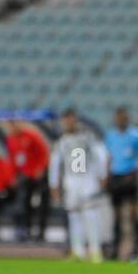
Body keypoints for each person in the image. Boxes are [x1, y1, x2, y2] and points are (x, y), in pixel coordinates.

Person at [50, 108, 109, 263]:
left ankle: (95, 251)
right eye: (65, 120)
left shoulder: (87, 137)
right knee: (74, 217)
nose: (68, 123)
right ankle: (78, 251)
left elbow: (101, 155)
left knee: (90, 215)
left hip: (87, 181)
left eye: (71, 120)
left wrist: (102, 175)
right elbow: (55, 165)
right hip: (71, 182)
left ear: (75, 120)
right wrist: (54, 186)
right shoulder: (61, 142)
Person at [103, 108, 138, 262]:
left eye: (124, 118)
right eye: (119, 118)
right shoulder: (110, 136)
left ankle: (136, 251)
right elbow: (108, 157)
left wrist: (136, 170)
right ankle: (115, 250)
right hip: (116, 178)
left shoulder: (137, 136)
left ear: (128, 119)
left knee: (134, 215)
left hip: (130, 178)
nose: (121, 120)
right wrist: (107, 177)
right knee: (116, 216)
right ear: (115, 119)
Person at [5, 121, 51, 243]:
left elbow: (44, 152)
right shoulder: (10, 139)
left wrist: (41, 168)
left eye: (13, 124)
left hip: (38, 175)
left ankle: (41, 232)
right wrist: (12, 177)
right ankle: (26, 231)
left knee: (42, 203)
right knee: (23, 204)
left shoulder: (31, 135)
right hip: (25, 176)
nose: (12, 127)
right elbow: (12, 159)